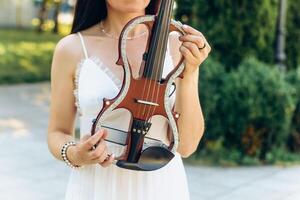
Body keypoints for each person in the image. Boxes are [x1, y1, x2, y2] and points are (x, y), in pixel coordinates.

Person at [47, 0, 211, 199]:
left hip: (161, 187)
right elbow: (57, 132)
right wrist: (74, 154)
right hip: (96, 186)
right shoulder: (71, 48)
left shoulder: (176, 43)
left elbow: (186, 146)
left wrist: (191, 72)